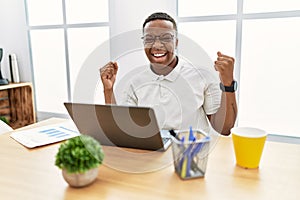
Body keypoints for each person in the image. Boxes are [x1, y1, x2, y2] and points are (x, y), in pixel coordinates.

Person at [100, 12, 237, 136]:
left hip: (191, 153)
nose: (157, 45)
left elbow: (224, 129)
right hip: (151, 156)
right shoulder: (135, 82)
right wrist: (108, 90)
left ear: (176, 42)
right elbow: (122, 129)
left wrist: (228, 84)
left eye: (166, 38)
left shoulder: (201, 76)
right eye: (149, 39)